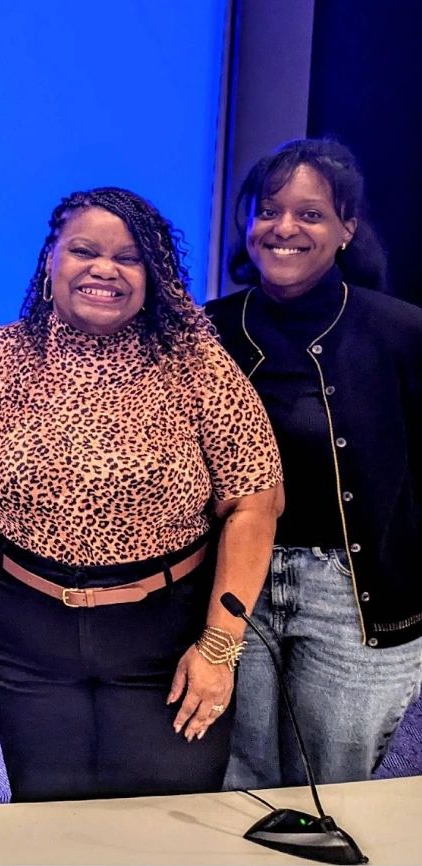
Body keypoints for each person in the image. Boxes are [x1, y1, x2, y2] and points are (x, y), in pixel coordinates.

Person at [0, 187, 284, 800]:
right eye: (84, 251)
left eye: (128, 257)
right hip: (22, 635)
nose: (104, 269)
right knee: (51, 806)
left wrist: (220, 647)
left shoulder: (197, 363)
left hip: (165, 640)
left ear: (154, 275)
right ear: (51, 260)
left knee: (163, 815)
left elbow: (254, 502)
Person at [208, 138, 422, 788]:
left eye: (310, 214)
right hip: (234, 587)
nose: (284, 228)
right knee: (235, 785)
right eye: (268, 211)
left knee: (331, 792)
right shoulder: (209, 331)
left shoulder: (402, 332)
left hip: (353, 597)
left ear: (346, 228)